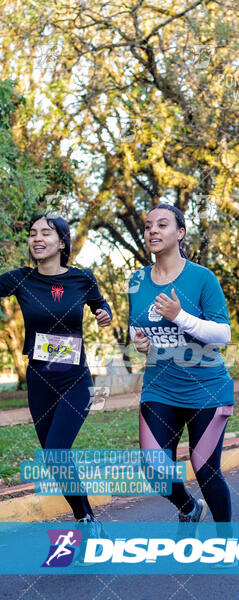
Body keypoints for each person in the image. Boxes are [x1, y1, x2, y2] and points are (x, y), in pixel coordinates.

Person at [0, 214, 112, 537]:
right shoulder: (21, 279)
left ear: (62, 243)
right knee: (53, 457)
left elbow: (101, 306)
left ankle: (88, 524)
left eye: (45, 233)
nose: (37, 238)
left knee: (58, 449)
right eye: (33, 233)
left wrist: (105, 314)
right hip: (39, 380)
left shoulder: (82, 278)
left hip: (75, 379)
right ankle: (88, 521)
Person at [128, 204, 234, 532]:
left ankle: (225, 538)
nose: (153, 231)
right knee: (155, 469)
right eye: (148, 226)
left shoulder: (202, 278)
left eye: (162, 224)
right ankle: (189, 507)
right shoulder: (137, 280)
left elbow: (223, 334)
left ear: (180, 233)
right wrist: (139, 342)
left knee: (205, 469)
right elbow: (137, 327)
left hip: (207, 389)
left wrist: (180, 317)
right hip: (160, 387)